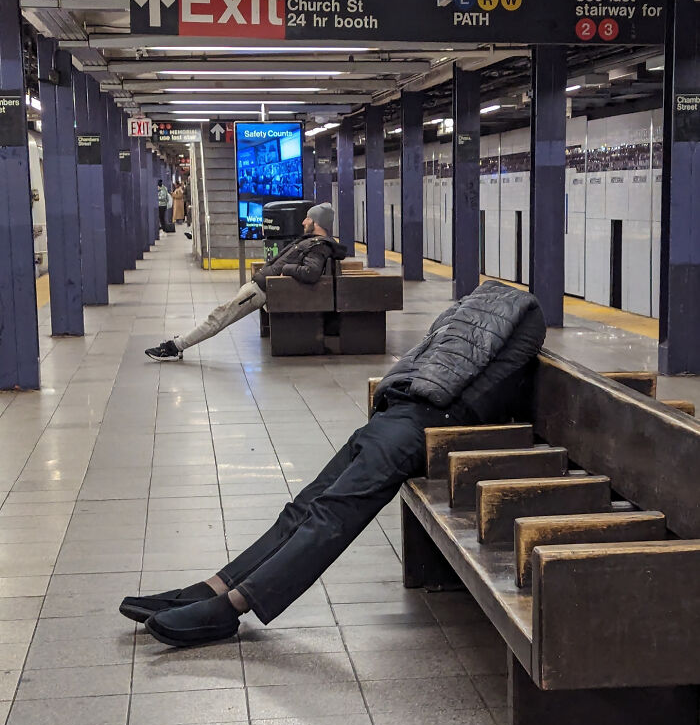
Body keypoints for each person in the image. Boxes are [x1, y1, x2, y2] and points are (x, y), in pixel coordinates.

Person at [120, 280, 546, 647]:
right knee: (310, 508)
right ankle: (213, 588)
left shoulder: (492, 310)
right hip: (410, 417)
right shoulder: (515, 315)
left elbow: (460, 380)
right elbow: (482, 391)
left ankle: (230, 605)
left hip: (412, 419)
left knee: (325, 511)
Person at [144, 202, 346, 361]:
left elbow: (311, 272)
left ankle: (176, 346)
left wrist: (286, 269)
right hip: (258, 287)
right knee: (220, 313)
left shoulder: (319, 246)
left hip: (260, 291)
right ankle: (179, 343)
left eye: (308, 219)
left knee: (219, 317)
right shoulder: (311, 241)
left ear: (316, 223)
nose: (303, 222)